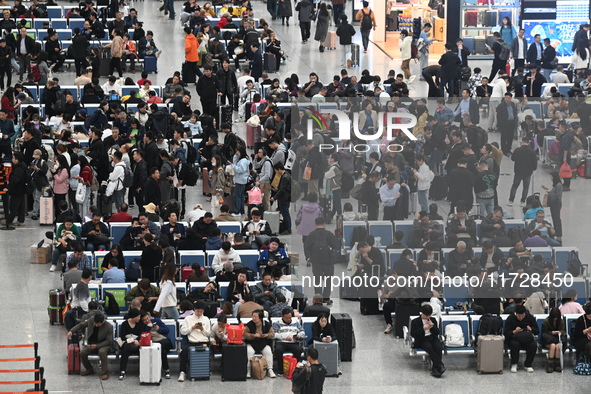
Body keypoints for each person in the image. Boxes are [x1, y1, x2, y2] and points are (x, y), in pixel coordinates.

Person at [304, 217, 340, 304]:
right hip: (328, 261)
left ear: (315, 224)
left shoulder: (312, 234)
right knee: (328, 279)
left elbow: (306, 247)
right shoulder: (328, 234)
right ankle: (326, 298)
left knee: (317, 280)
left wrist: (309, 257)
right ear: (324, 224)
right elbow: (335, 245)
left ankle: (318, 298)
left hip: (316, 261)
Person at [68, 314, 113, 380]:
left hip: (104, 345)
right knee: (83, 352)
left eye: (98, 324)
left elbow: (109, 341)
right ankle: (89, 368)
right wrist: (71, 331)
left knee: (102, 352)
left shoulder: (109, 327)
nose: (95, 325)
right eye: (95, 323)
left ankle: (105, 372)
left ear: (103, 322)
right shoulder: (91, 319)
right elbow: (81, 325)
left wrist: (97, 346)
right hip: (92, 343)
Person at [178, 301, 211, 382]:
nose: (199, 313)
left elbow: (208, 333)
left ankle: (206, 370)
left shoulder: (206, 319)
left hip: (203, 341)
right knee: (184, 352)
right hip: (192, 342)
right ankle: (182, 372)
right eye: (197, 311)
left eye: (201, 311)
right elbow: (183, 331)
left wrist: (202, 329)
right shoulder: (188, 319)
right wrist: (192, 328)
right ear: (194, 310)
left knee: (208, 350)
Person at [410, 304, 445, 377]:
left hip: (432, 337)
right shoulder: (415, 321)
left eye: (429, 315)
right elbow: (413, 334)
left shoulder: (433, 320)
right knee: (429, 347)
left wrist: (432, 326)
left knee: (438, 347)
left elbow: (437, 332)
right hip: (422, 339)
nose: (427, 317)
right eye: (426, 315)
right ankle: (439, 365)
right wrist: (423, 328)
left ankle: (436, 368)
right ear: (422, 313)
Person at [504, 305, 539, 373]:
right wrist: (514, 332)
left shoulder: (530, 317)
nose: (521, 318)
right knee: (515, 344)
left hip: (527, 338)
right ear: (516, 314)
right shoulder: (510, 318)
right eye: (519, 316)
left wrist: (531, 329)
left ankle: (528, 364)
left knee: (533, 344)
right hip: (514, 338)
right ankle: (514, 364)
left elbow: (537, 330)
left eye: (522, 316)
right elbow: (506, 333)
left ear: (525, 313)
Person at [244, 309, 276, 379]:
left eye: (255, 316)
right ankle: (248, 370)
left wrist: (267, 335)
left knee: (268, 351)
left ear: (260, 318)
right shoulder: (249, 324)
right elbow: (244, 334)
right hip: (252, 343)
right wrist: (253, 336)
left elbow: (272, 333)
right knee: (249, 352)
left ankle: (270, 369)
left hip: (263, 343)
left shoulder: (266, 324)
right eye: (252, 316)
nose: (253, 318)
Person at [272, 307, 305, 375]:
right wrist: (284, 337)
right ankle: (281, 370)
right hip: (281, 342)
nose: (288, 319)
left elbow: (302, 332)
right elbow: (274, 334)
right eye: (287, 318)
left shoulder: (296, 323)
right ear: (282, 316)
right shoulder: (277, 324)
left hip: (293, 342)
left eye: (290, 317)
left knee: (299, 350)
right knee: (278, 350)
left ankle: (295, 368)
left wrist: (298, 335)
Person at [141, 312, 173, 379]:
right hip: (154, 344)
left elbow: (167, 330)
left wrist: (159, 329)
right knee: (162, 351)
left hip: (164, 341)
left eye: (147, 318)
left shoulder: (157, 321)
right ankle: (166, 370)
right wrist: (148, 327)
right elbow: (144, 336)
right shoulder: (143, 326)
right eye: (144, 320)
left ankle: (165, 370)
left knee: (159, 347)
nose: (147, 321)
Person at [118, 308, 146, 380]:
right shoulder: (125, 324)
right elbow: (123, 337)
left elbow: (142, 334)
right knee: (124, 352)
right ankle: (122, 371)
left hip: (137, 344)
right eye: (138, 317)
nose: (139, 318)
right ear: (133, 317)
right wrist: (132, 340)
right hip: (128, 344)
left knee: (142, 352)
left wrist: (137, 340)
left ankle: (143, 371)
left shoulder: (140, 324)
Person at [1, 152, 27, 227]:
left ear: (17, 160)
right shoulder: (23, 166)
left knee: (13, 206)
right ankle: (20, 220)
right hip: (22, 189)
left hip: (16, 190)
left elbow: (14, 180)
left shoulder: (18, 169)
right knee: (21, 206)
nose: (12, 159)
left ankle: (9, 220)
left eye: (13, 158)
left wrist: (8, 187)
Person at [542, 307, 565, 373]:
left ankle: (557, 364)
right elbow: (544, 332)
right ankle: (550, 365)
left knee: (557, 346)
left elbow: (563, 330)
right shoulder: (546, 321)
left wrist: (560, 332)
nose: (555, 319)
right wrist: (551, 332)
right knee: (552, 345)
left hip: (557, 339)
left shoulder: (561, 321)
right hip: (548, 340)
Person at [271, 163, 292, 234]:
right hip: (286, 197)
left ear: (279, 169)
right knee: (284, 213)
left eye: (276, 171)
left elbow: (282, 190)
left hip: (284, 198)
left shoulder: (285, 177)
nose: (276, 172)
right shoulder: (286, 174)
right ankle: (286, 227)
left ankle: (288, 229)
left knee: (285, 213)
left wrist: (274, 197)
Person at [542, 171, 563, 242]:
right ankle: (556, 233)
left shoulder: (559, 185)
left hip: (556, 204)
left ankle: (559, 235)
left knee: (557, 220)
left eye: (551, 177)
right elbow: (553, 193)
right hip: (553, 204)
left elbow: (558, 196)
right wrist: (546, 189)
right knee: (554, 219)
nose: (550, 178)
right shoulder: (555, 185)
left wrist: (552, 196)